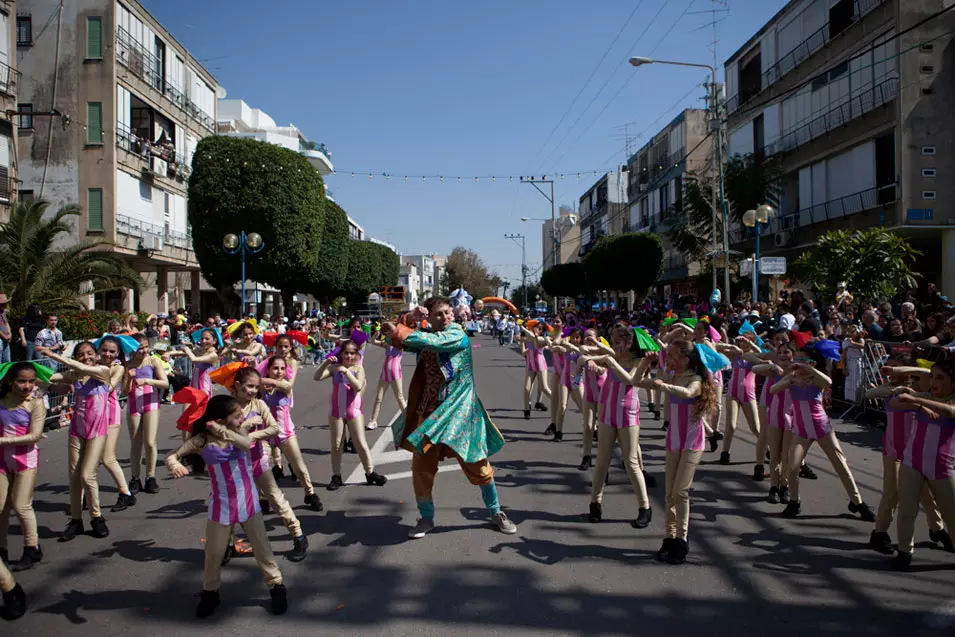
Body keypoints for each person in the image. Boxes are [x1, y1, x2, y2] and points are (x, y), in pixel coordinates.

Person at [380, 297, 517, 539]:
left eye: (447, 312)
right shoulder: (425, 332)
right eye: (439, 314)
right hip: (431, 415)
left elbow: (427, 340)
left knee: (479, 468)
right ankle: (426, 518)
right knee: (421, 469)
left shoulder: (456, 335)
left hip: (459, 414)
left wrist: (406, 328)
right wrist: (409, 318)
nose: (446, 317)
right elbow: (390, 338)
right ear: (429, 318)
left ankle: (496, 512)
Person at [165, 393, 287, 618]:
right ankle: (210, 593)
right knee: (213, 553)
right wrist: (173, 464)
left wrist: (224, 431)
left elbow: (245, 445)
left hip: (248, 500)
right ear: (221, 419)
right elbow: (173, 455)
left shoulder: (238, 432)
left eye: (242, 415)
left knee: (263, 550)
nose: (242, 418)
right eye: (237, 415)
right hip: (221, 504)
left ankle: (276, 587)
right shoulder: (201, 440)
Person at [772, 346, 876, 522]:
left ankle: (858, 502)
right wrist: (790, 381)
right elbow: (773, 390)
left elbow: (827, 382)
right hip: (801, 430)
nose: (799, 363)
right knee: (792, 465)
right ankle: (794, 502)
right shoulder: (792, 377)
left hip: (822, 428)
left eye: (804, 360)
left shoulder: (816, 377)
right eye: (798, 359)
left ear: (813, 363)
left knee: (840, 464)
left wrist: (810, 370)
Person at [644, 339, 718, 565]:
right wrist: (646, 363)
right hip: (673, 441)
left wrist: (662, 385)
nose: (670, 360)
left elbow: (688, 393)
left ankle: (682, 539)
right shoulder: (671, 375)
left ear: (686, 358)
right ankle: (670, 537)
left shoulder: (695, 379)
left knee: (680, 492)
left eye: (674, 356)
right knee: (669, 493)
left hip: (692, 443)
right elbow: (637, 381)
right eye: (668, 356)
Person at [38, 340, 121, 541]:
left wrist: (52, 355)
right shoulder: (75, 376)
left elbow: (82, 368)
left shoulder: (102, 371)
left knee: (87, 475)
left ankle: (96, 517)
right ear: (76, 357)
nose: (86, 357)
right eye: (81, 354)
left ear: (96, 355)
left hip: (97, 431)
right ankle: (76, 520)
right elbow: (53, 377)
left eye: (90, 353)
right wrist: (29, 375)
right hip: (77, 430)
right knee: (74, 477)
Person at [886, 360, 955, 570]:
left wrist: (922, 402)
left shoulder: (950, 402)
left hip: (942, 467)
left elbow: (950, 412)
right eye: (932, 376)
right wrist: (919, 403)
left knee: (951, 514)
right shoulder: (925, 398)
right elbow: (894, 403)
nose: (933, 381)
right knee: (907, 510)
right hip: (912, 462)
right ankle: (905, 551)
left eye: (940, 378)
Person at [313, 340, 387, 491]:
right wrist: (325, 363)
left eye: (352, 353)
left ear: (356, 355)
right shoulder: (334, 368)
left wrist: (346, 371)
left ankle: (370, 472)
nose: (348, 356)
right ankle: (336, 475)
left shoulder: (358, 369)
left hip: (354, 411)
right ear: (341, 353)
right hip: (336, 412)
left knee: (360, 443)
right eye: (346, 352)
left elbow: (358, 387)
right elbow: (317, 377)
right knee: (336, 444)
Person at [0, 362, 48, 572]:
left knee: (21, 505)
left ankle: (32, 548)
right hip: (1, 461)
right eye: (22, 381)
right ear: (10, 381)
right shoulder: (2, 399)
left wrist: (1, 441)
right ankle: (2, 552)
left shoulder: (35, 403)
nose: (27, 386)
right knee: (1, 508)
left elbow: (35, 436)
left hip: (25, 460)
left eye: (31, 381)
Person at [260, 353, 323, 512]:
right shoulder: (262, 389)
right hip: (266, 436)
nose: (279, 371)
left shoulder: (286, 386)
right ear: (268, 370)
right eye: (275, 368)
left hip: (286, 434)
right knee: (260, 468)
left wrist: (266, 381)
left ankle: (310, 494)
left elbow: (285, 386)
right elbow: (251, 382)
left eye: (282, 368)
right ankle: (263, 499)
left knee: (299, 468)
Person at [123, 333, 169, 495]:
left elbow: (165, 383)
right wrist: (129, 379)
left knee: (150, 442)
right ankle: (135, 478)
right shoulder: (128, 364)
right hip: (134, 405)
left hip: (151, 403)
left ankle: (150, 476)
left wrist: (147, 381)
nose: (143, 351)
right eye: (139, 348)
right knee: (136, 442)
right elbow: (124, 390)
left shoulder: (153, 360)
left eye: (145, 347)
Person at [366, 336, 407, 431]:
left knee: (400, 397)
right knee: (378, 398)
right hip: (384, 374)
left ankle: (408, 419)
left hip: (396, 375)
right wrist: (377, 332)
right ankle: (373, 421)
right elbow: (372, 341)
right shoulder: (386, 344)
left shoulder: (401, 345)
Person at [0, 294, 11, 364]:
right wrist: (4, 336)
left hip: (6, 339)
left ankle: (7, 374)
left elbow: (6, 324)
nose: (5, 305)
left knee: (7, 360)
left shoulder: (3, 313)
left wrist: (10, 334)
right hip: (1, 338)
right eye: (3, 304)